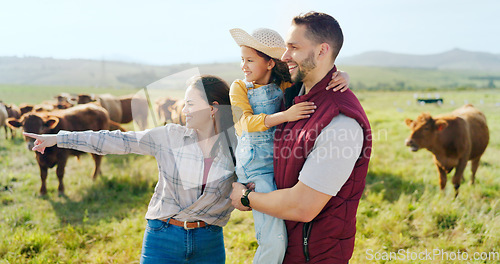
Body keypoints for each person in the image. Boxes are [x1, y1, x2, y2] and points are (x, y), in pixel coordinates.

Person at [24, 75, 237, 264]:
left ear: (213, 108)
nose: (183, 110)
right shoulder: (170, 136)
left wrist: (245, 197)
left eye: (190, 104)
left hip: (210, 242)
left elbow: (252, 187)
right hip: (163, 237)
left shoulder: (236, 148)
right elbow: (115, 139)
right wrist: (59, 138)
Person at [230, 12, 372, 264]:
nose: (284, 56)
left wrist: (244, 198)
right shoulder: (293, 95)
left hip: (314, 257)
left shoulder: (341, 122)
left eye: (294, 48)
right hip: (291, 251)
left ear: (322, 51)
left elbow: (302, 207)